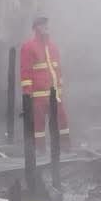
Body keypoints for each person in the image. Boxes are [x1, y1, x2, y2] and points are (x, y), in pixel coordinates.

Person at [19, 13, 69, 149]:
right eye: (42, 24)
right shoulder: (28, 47)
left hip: (55, 96)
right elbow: (26, 73)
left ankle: (65, 149)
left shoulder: (53, 47)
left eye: (46, 24)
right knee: (38, 128)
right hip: (38, 97)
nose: (46, 27)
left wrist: (60, 92)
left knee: (62, 123)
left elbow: (58, 70)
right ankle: (40, 152)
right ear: (36, 27)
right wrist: (28, 95)